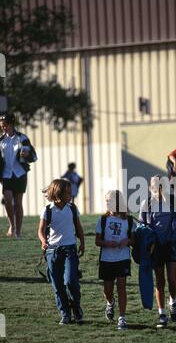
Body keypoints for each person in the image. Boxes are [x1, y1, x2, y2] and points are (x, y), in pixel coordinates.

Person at [139, 175, 176, 328]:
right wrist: (147, 245)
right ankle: (162, 314)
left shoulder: (175, 202)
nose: (157, 188)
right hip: (156, 247)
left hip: (172, 245)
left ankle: (173, 301)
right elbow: (142, 227)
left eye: (160, 185)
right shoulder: (147, 204)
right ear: (149, 187)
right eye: (154, 185)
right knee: (159, 280)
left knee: (172, 279)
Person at [38, 178, 85, 325]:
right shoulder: (47, 210)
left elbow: (78, 227)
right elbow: (40, 230)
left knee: (71, 281)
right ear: (58, 192)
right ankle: (65, 313)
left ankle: (76, 307)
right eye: (68, 192)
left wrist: (82, 242)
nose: (70, 194)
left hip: (70, 249)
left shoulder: (72, 208)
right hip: (53, 251)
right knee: (57, 285)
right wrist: (44, 241)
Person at [95, 190, 135, 330]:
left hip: (122, 258)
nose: (107, 204)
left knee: (122, 288)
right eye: (106, 201)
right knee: (108, 290)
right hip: (106, 259)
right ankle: (110, 303)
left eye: (109, 201)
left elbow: (134, 240)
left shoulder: (128, 220)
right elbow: (97, 241)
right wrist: (107, 243)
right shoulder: (103, 219)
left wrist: (127, 241)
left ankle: (122, 317)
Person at [0, 112, 37, 237]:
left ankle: (18, 232)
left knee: (18, 202)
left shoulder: (22, 138)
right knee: (7, 199)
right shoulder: (1, 141)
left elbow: (31, 154)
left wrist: (26, 154)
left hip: (20, 173)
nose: (3, 127)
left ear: (11, 124)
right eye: (1, 125)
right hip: (6, 174)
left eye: (5, 125)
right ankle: (12, 225)